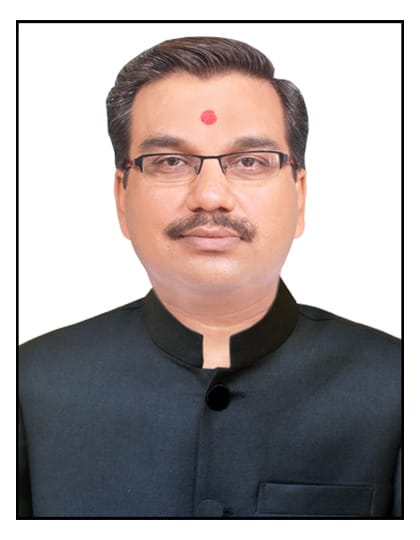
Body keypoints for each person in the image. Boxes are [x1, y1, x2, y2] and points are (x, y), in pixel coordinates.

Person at [18, 36, 401, 518]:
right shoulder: (28, 387)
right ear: (122, 197)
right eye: (171, 162)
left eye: (249, 161)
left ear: (300, 194)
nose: (211, 196)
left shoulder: (398, 386)